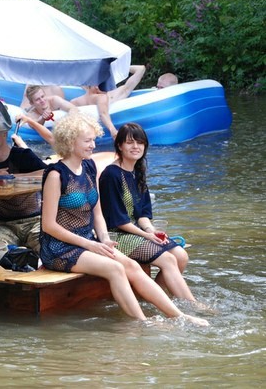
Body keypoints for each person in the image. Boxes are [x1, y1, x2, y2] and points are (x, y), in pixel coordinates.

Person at [39, 111, 207, 325]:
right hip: (59, 248)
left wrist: (103, 239)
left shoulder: (89, 167)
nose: (93, 145)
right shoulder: (56, 175)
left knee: (132, 266)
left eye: (93, 139)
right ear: (71, 142)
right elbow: (49, 225)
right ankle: (142, 321)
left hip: (89, 242)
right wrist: (90, 244)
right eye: (88, 140)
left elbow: (97, 212)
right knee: (115, 268)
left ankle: (180, 315)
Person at [99, 123, 196, 299]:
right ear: (120, 146)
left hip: (137, 232)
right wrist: (146, 235)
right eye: (130, 142)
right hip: (117, 236)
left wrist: (152, 231)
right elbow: (119, 221)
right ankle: (193, 305)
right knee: (168, 259)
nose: (136, 147)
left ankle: (151, 299)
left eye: (140, 142)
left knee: (180, 255)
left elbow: (142, 214)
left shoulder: (137, 171)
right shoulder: (111, 175)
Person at [0, 117, 47, 254]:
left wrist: (10, 177)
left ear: (4, 133)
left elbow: (47, 172)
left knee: (46, 249)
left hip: (34, 220)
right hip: (2, 223)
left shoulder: (22, 155)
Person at [71, 65, 146, 138]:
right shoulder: (87, 94)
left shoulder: (115, 94)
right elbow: (103, 114)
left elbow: (141, 69)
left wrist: (113, 68)